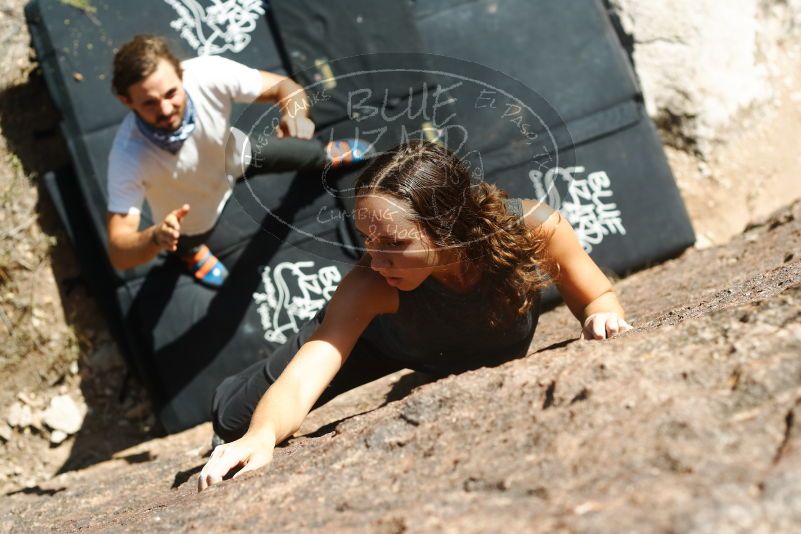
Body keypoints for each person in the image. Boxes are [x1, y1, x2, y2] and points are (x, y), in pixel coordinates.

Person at [197, 141, 633, 491]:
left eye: (394, 242)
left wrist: (601, 316)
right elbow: (300, 382)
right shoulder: (371, 282)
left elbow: (597, 296)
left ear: (449, 226)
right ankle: (232, 404)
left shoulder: (533, 229)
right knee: (238, 418)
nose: (375, 256)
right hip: (379, 340)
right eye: (367, 237)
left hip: (449, 351)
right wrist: (262, 435)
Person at [106, 35, 369, 287]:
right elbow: (119, 252)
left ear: (181, 74)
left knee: (303, 152)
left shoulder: (206, 73)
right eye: (149, 103)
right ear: (126, 101)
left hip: (237, 156)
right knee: (184, 241)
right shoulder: (128, 156)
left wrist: (295, 115)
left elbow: (284, 87)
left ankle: (322, 157)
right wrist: (156, 237)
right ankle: (190, 252)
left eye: (171, 94)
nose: (165, 110)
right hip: (193, 215)